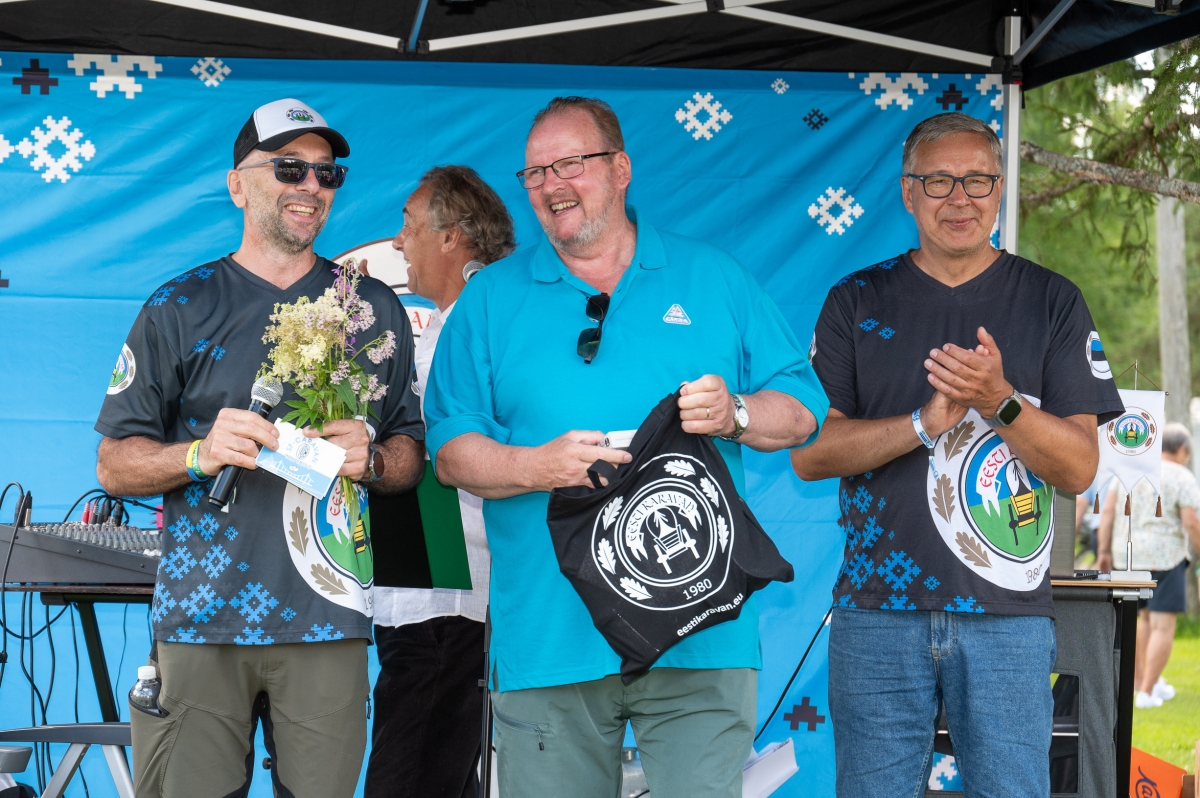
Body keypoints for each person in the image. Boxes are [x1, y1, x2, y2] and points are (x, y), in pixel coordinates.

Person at [422, 96, 828, 798]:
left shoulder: (714, 276)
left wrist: (734, 412)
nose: (551, 184)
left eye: (570, 164)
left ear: (620, 168)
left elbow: (803, 410)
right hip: (550, 642)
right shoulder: (489, 299)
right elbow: (451, 451)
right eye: (535, 172)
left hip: (702, 635)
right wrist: (536, 465)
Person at [95, 98, 425, 798]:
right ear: (237, 184)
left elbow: (412, 456)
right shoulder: (178, 305)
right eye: (289, 167)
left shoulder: (372, 307)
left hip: (329, 616)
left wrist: (373, 459)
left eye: (327, 173)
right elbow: (114, 464)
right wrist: (198, 454)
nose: (311, 185)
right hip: (202, 616)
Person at [791, 112, 1124, 797]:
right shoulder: (855, 299)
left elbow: (1080, 468)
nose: (959, 198)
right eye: (939, 180)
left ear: (1000, 189)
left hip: (1008, 618)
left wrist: (1000, 401)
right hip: (877, 612)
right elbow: (809, 453)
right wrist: (923, 423)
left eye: (978, 180)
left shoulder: (1053, 301)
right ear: (907, 191)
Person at [365, 165, 516, 798]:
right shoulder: (459, 320)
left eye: (408, 225)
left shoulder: (477, 322)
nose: (398, 241)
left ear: (451, 235)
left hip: (443, 579)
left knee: (412, 775)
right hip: (430, 580)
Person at [1097, 422, 1200, 708]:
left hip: (1127, 556)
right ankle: (1147, 690)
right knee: (1163, 626)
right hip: (1165, 557)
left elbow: (1108, 512)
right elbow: (1191, 522)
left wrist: (1103, 550)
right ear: (1182, 450)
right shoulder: (1182, 475)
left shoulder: (1131, 471)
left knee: (1141, 619)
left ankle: (1140, 683)